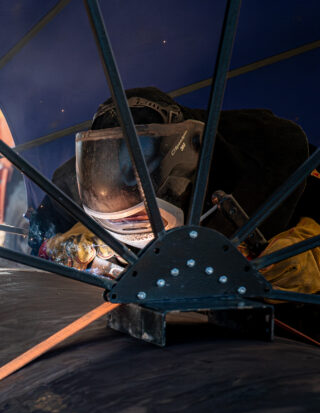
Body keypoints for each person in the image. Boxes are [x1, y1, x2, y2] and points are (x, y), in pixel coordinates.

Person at [31, 87, 320, 294]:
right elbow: (38, 241)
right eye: (110, 167)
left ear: (182, 160)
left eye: (139, 166)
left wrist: (314, 255)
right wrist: (56, 245)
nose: (124, 184)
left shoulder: (273, 162)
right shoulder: (69, 187)